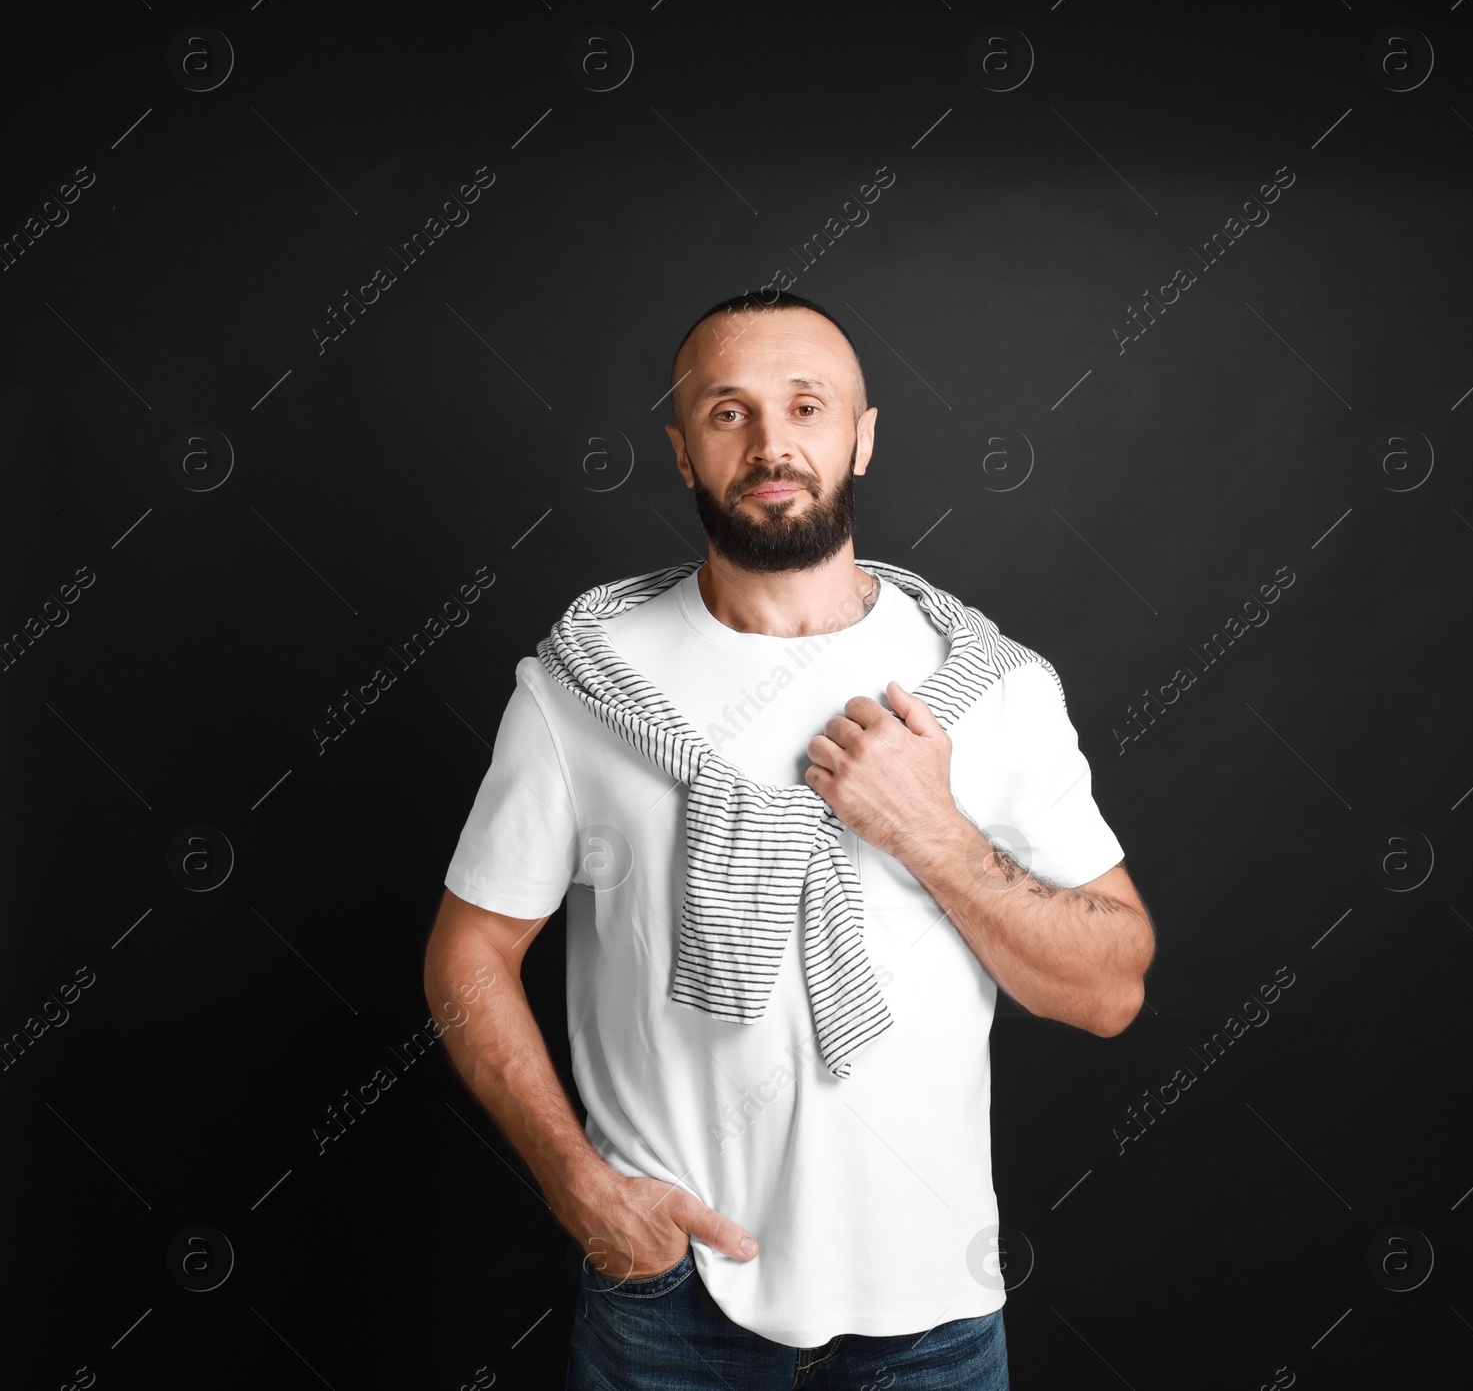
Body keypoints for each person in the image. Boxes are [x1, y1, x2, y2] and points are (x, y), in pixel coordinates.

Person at [424, 289, 1156, 1389]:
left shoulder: (994, 689)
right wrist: (582, 1188)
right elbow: (466, 955)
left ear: (861, 435)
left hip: (936, 1313)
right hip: (669, 1300)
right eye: (729, 412)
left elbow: (1109, 990)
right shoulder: (581, 687)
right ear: (681, 452)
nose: (773, 443)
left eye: (806, 406)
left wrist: (934, 834)